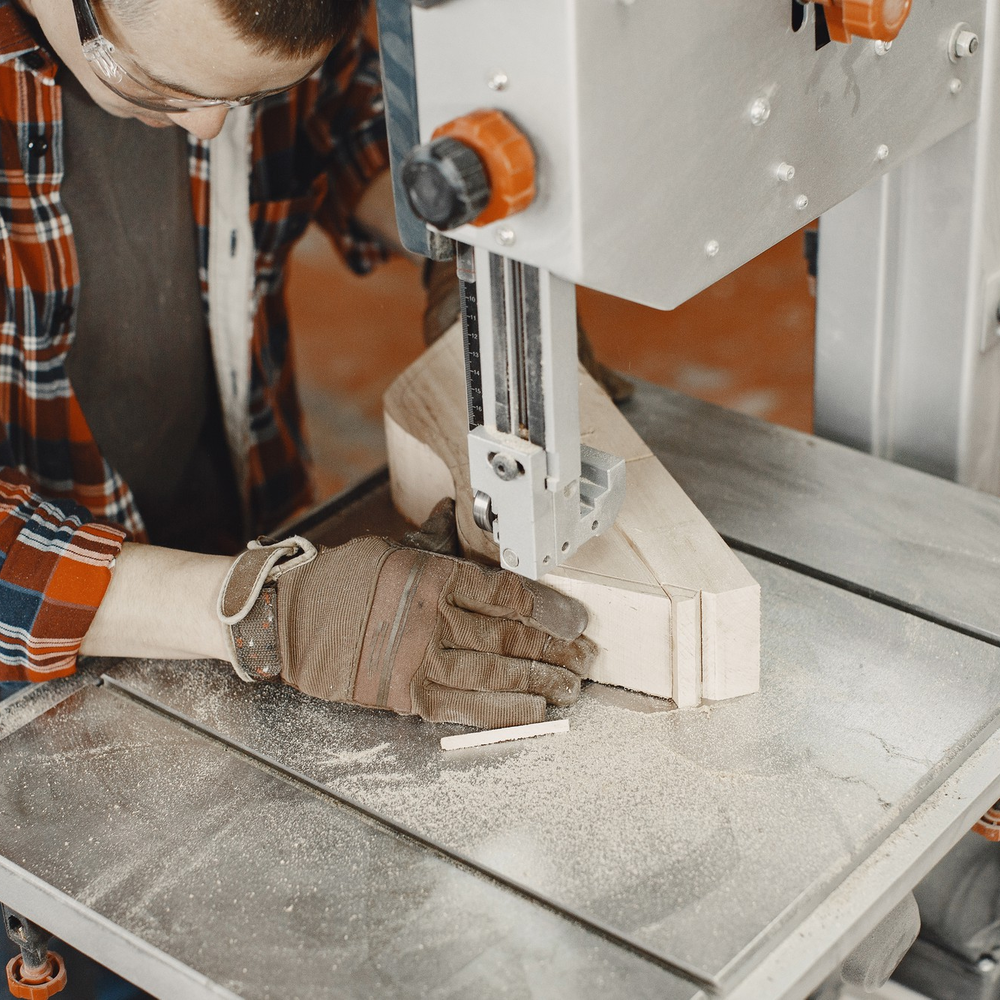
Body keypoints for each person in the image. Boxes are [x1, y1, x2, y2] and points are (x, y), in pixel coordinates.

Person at [0, 0, 596, 728]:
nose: (208, 127)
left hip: (238, 513)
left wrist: (479, 260)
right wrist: (264, 612)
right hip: (28, 676)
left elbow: (344, 117)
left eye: (248, 97)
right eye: (158, 87)